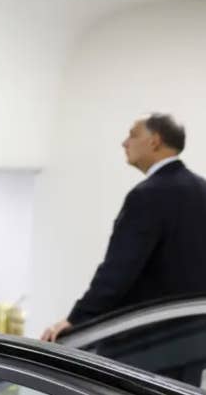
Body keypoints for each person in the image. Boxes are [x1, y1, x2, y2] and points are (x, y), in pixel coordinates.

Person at [42, 113, 206, 342]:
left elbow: (118, 270)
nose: (124, 142)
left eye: (132, 134)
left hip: (144, 341)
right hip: (190, 340)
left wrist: (76, 319)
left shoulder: (147, 195)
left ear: (154, 141)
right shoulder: (201, 189)